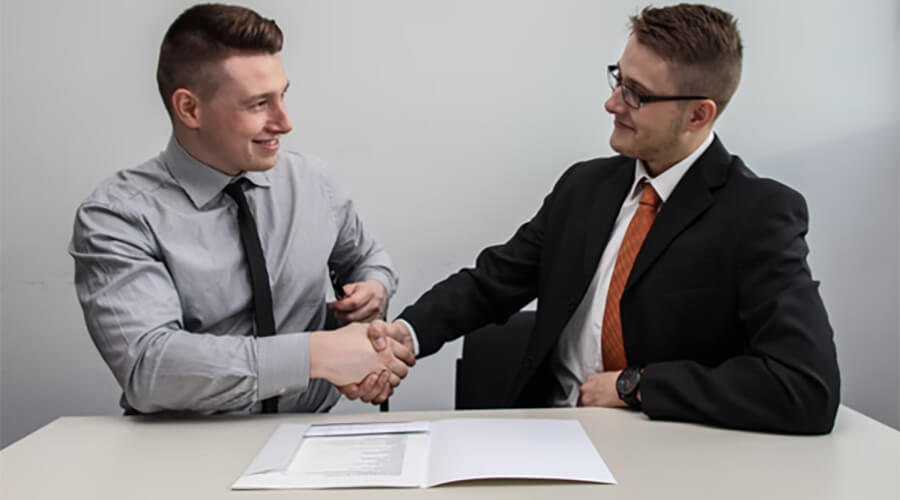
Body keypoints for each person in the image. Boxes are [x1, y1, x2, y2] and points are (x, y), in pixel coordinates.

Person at [358, 4, 840, 434]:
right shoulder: (585, 188)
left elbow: (805, 387)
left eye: (637, 95)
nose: (613, 104)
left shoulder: (758, 214)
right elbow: (493, 283)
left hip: (667, 455)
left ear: (698, 114)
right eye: (618, 80)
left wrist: (637, 386)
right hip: (546, 434)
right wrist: (406, 335)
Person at [69, 3, 411, 415]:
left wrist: (372, 290)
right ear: (190, 109)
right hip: (182, 451)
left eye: (283, 96)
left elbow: (367, 259)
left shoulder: (313, 182)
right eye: (258, 104)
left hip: (311, 436)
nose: (285, 122)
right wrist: (314, 354)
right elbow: (150, 369)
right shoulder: (117, 216)